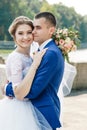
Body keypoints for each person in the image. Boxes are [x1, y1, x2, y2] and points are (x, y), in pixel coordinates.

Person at [5, 12, 64, 130]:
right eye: (20, 33)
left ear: (51, 30)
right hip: (25, 111)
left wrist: (7, 88)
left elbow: (32, 91)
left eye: (37, 28)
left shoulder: (49, 53)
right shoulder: (37, 52)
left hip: (40, 109)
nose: (32, 33)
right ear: (14, 36)